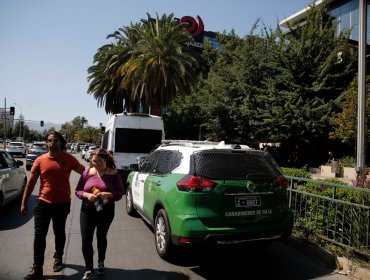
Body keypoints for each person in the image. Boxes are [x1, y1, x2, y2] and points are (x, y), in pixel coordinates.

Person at [21, 131, 85, 280]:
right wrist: (24, 202)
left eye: (56, 140)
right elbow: (31, 183)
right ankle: (37, 267)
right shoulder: (40, 160)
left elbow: (85, 173)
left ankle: (58, 257)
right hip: (43, 203)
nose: (52, 143)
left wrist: (100, 180)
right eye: (50, 140)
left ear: (61, 143)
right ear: (46, 143)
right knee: (39, 235)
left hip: (62, 203)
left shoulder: (68, 159)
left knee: (59, 232)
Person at [75, 148, 124, 280]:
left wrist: (109, 194)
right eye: (94, 161)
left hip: (106, 211)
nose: (96, 164)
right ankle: (89, 269)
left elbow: (120, 193)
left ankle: (101, 262)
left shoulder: (114, 174)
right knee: (86, 240)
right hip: (87, 209)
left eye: (100, 161)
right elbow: (78, 191)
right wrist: (86, 195)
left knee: (101, 236)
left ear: (106, 160)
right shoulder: (87, 172)